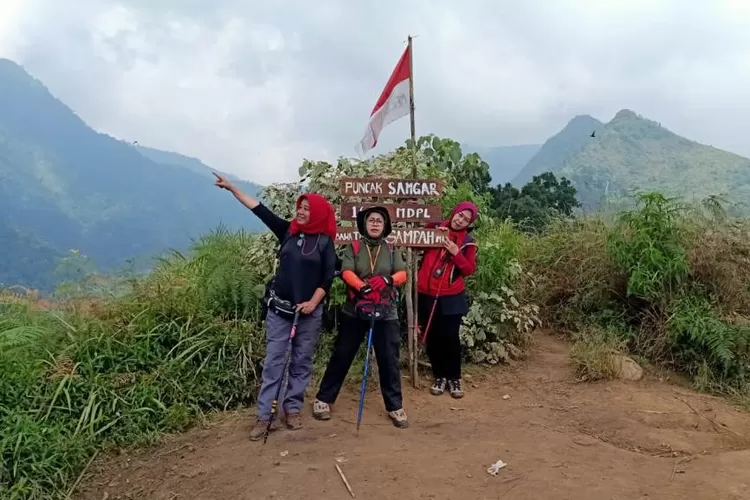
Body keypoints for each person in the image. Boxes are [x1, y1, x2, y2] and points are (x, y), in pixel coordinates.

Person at [213, 173, 337, 440]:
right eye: (300, 207)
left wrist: (313, 302)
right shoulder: (288, 232)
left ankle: (292, 409)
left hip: (309, 314)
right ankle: (264, 416)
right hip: (280, 310)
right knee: (274, 363)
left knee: (301, 362)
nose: (301, 212)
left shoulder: (325, 243)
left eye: (307, 208)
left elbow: (328, 277)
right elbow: (259, 209)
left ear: (317, 213)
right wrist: (233, 188)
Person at [311, 206, 410, 428]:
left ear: (385, 226)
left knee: (389, 359)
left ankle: (395, 406)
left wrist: (387, 281)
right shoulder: (353, 247)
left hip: (386, 312)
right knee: (342, 354)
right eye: (371, 220)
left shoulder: (392, 249)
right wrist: (361, 287)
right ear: (364, 224)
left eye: (379, 221)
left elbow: (402, 273)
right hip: (354, 309)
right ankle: (323, 399)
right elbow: (346, 271)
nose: (375, 224)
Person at [417, 201, 479, 399]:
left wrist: (455, 252)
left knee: (450, 337)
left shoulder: (468, 242)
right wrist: (433, 231)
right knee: (432, 337)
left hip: (451, 297)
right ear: (454, 212)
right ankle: (439, 376)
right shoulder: (436, 229)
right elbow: (417, 238)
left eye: (466, 220)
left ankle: (454, 377)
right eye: (460, 215)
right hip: (426, 293)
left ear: (469, 223)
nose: (460, 221)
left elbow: (469, 269)